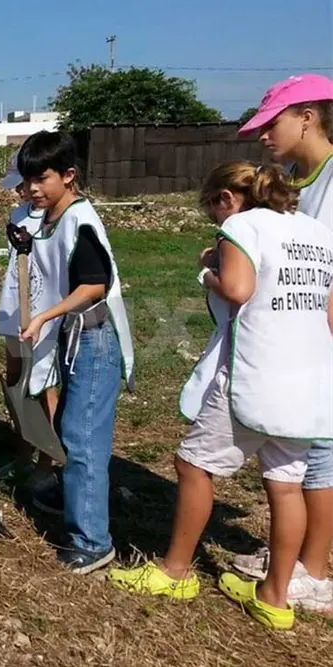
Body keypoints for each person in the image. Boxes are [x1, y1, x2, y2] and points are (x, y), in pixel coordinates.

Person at [110, 161, 333, 631]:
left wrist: (209, 270)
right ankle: (275, 596)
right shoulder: (315, 231)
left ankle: (175, 572)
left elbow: (238, 288)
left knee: (193, 465)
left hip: (256, 375)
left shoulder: (241, 225)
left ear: (226, 199)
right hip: (310, 381)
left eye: (212, 209)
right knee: (287, 484)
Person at [226, 74, 333, 608]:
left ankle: (312, 570)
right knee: (298, 454)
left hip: (321, 336)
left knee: (320, 457)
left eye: (273, 123)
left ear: (307, 117)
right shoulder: (296, 178)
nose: (264, 135)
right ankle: (288, 558)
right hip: (296, 334)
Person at [15, 131, 136, 573]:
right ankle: (67, 497)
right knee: (69, 425)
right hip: (73, 335)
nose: (31, 189)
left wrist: (46, 316)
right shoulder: (52, 217)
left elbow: (94, 286)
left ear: (69, 176)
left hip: (94, 337)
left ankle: (93, 541)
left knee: (84, 436)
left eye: (40, 179)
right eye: (27, 180)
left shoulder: (80, 221)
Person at [0, 150, 59, 495]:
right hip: (13, 309)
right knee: (16, 381)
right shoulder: (18, 213)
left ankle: (46, 463)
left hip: (40, 313)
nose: (21, 191)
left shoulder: (56, 217)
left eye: (25, 183)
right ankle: (23, 450)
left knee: (43, 386)